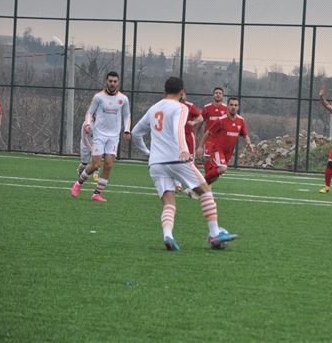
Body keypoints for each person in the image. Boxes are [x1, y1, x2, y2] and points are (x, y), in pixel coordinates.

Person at [130, 76, 238, 251]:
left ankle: (168, 235)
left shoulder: (153, 108)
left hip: (156, 163)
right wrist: (183, 150)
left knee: (169, 202)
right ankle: (214, 234)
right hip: (176, 159)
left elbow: (135, 133)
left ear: (164, 91)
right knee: (205, 191)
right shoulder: (180, 107)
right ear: (181, 92)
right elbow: (178, 129)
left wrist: (148, 153)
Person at [70, 71, 131, 202]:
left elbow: (127, 115)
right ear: (106, 82)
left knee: (108, 165)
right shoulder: (98, 97)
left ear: (118, 82)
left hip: (114, 137)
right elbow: (89, 112)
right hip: (99, 135)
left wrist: (127, 130)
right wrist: (87, 124)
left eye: (115, 81)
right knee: (96, 165)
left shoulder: (123, 99)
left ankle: (97, 194)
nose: (112, 83)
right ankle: (78, 184)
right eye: (110, 81)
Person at [197, 96, 254, 185]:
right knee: (222, 168)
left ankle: (198, 188)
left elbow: (245, 135)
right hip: (217, 149)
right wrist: (200, 147)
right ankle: (197, 185)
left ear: (238, 107)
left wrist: (249, 143)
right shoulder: (221, 120)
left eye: (235, 105)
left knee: (215, 177)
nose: (233, 107)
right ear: (227, 106)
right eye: (231, 105)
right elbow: (208, 133)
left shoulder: (241, 120)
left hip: (228, 152)